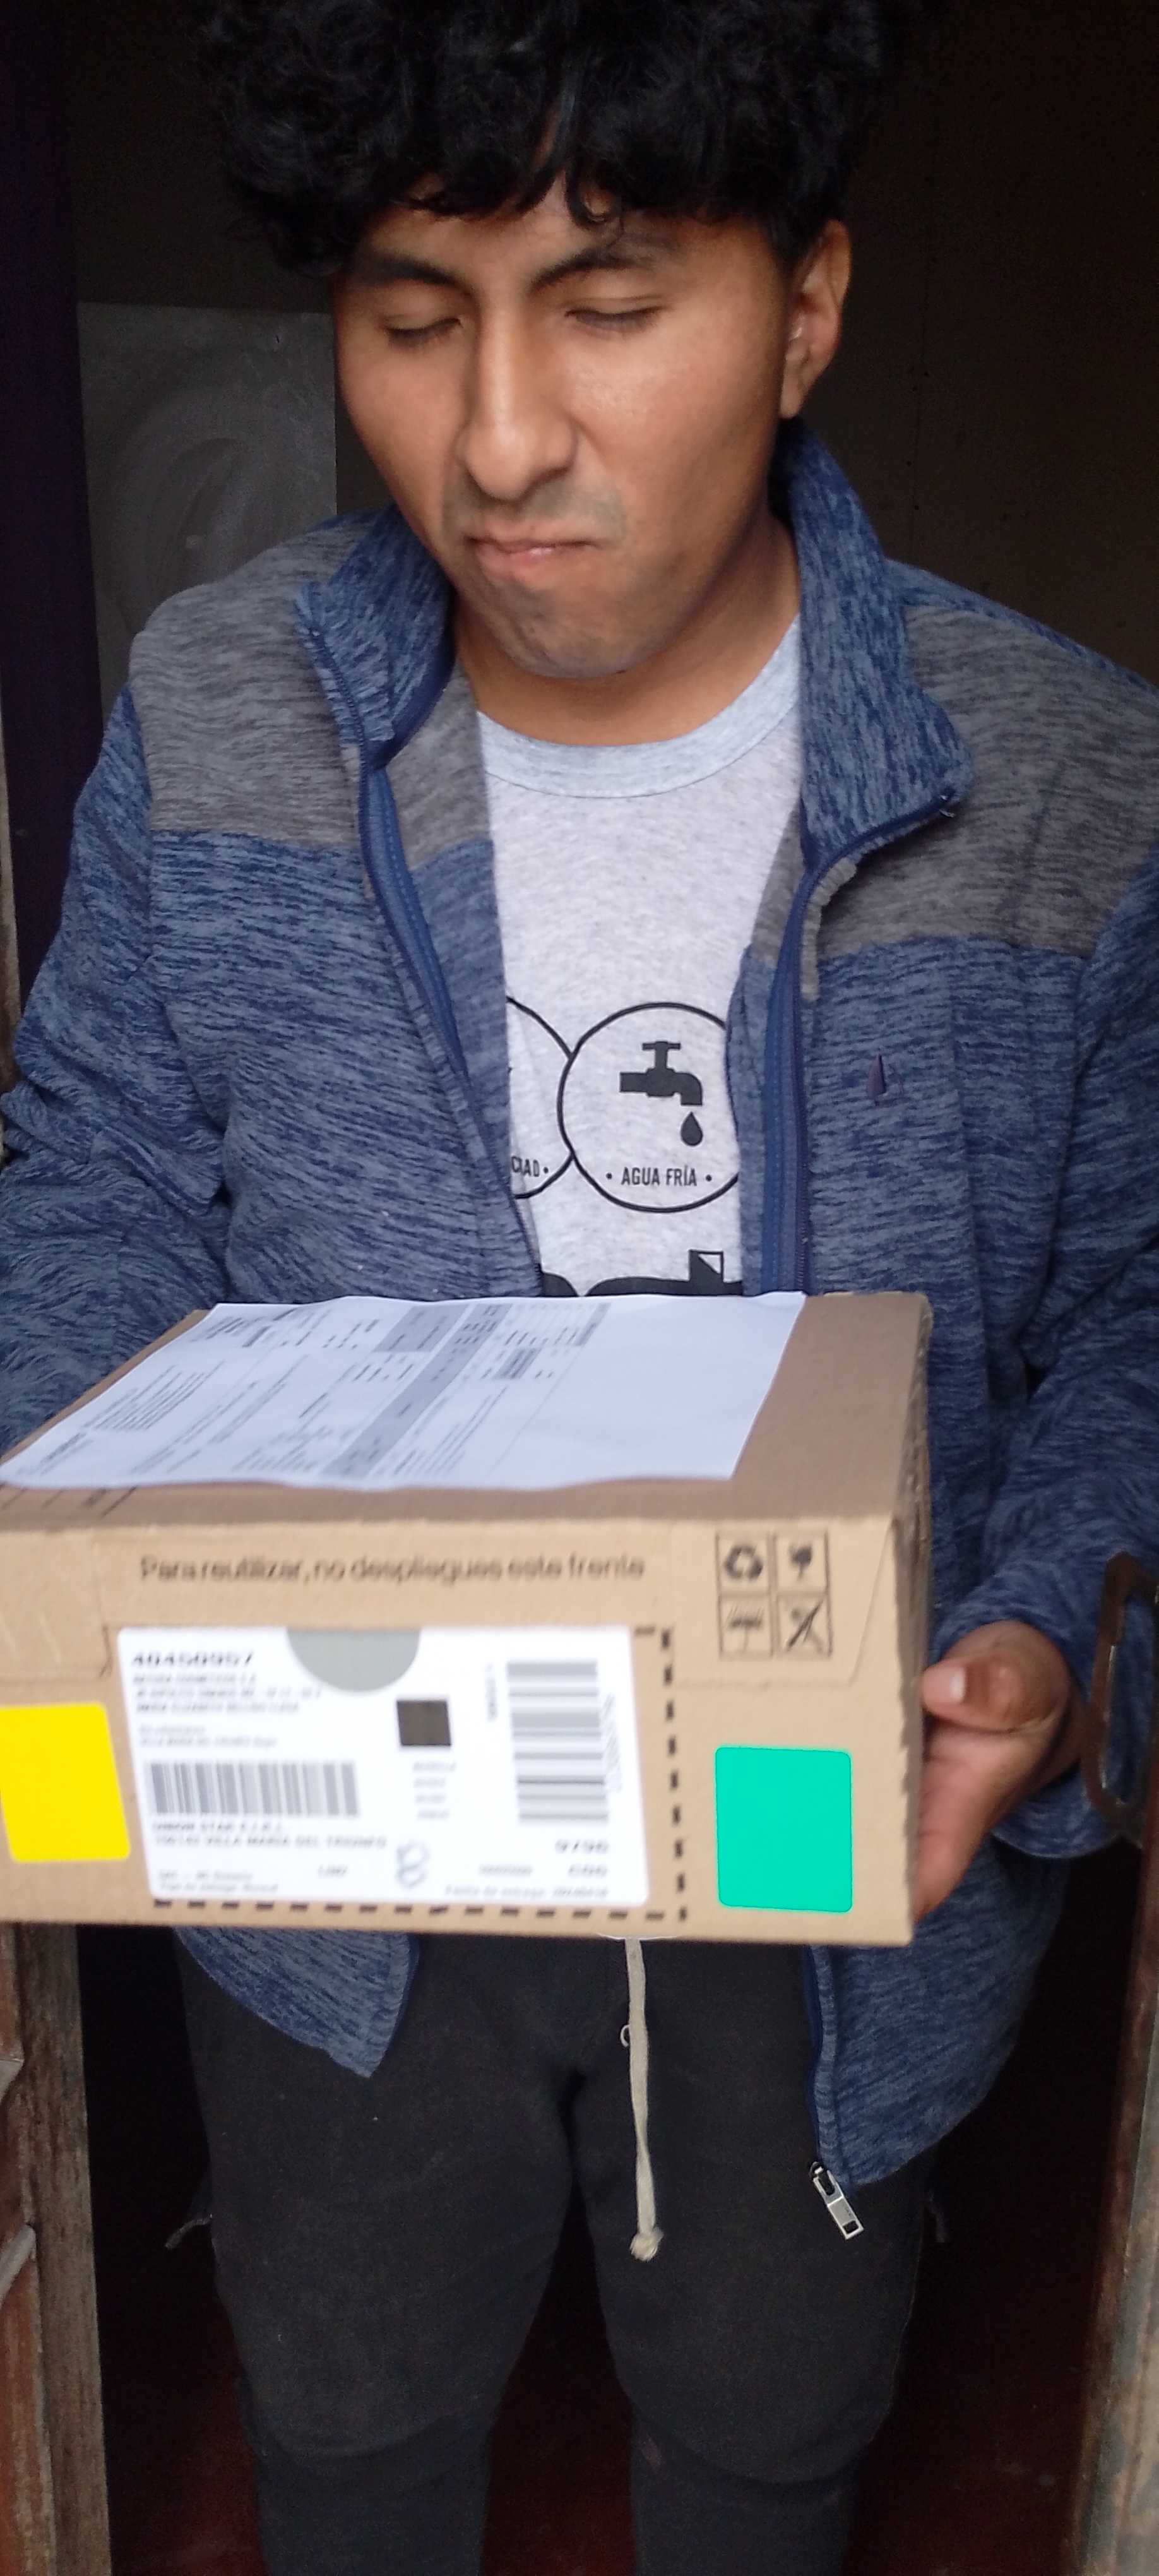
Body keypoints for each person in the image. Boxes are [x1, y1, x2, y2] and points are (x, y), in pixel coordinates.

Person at [3, 3, 1158, 2568]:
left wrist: (1042, 1642)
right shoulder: (223, 710)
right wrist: (62, 1570)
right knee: (348, 2423)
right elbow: (92, 1172)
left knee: (766, 2434)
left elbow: (1137, 1314)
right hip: (340, 1848)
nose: (500, 439)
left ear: (808, 305)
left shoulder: (1066, 782)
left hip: (810, 1834)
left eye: (609, 304)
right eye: (413, 317)